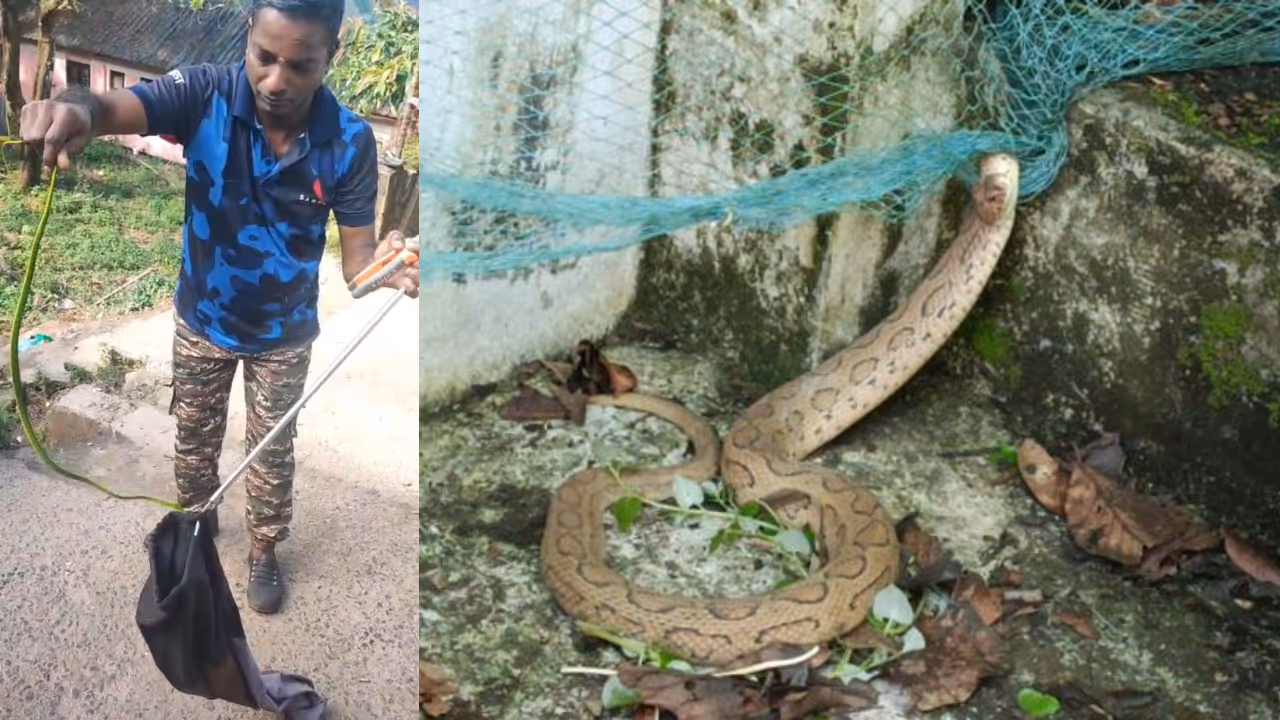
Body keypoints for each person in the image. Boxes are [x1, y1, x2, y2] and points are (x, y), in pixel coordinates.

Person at [18, 0, 419, 615]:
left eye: (300, 66)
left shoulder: (350, 141)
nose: (276, 81)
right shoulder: (203, 93)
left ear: (330, 58)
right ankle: (198, 525)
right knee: (194, 437)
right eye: (264, 57)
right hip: (201, 320)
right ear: (248, 36)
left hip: (285, 335)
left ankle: (264, 549)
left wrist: (390, 268)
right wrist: (76, 108)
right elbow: (108, 107)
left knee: (271, 450)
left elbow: (358, 264)